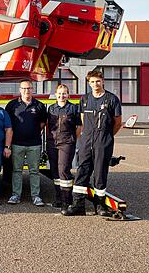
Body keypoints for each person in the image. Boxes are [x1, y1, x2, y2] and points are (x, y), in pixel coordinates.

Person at [64, 70, 122, 217]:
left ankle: (100, 206)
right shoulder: (84, 99)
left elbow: (118, 123)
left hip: (103, 141)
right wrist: (88, 136)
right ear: (88, 83)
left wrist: (107, 137)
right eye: (92, 82)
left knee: (100, 173)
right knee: (82, 171)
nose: (95, 84)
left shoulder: (112, 99)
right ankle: (78, 206)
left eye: (98, 81)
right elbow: (83, 121)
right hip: (87, 141)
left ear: (103, 81)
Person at [5, 80, 47, 206]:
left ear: (32, 89)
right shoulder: (12, 105)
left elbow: (42, 123)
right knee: (16, 170)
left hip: (34, 144)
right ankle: (15, 195)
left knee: (34, 171)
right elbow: (8, 125)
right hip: (17, 143)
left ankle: (36, 196)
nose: (26, 91)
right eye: (23, 88)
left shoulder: (39, 105)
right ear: (20, 90)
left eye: (28, 88)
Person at [46, 84, 82, 212]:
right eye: (59, 93)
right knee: (54, 171)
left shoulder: (73, 108)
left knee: (63, 170)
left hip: (66, 143)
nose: (62, 96)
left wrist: (72, 139)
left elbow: (79, 126)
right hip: (52, 143)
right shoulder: (51, 108)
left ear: (68, 95)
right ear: (56, 95)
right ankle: (58, 198)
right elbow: (47, 126)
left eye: (64, 93)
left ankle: (67, 200)